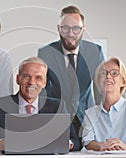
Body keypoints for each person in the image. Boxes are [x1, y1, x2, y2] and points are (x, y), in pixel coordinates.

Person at [0, 57, 80, 151]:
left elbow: (75, 141)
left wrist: (65, 144)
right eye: (26, 76)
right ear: (18, 79)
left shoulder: (58, 106)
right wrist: (1, 144)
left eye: (38, 78)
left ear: (44, 83)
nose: (32, 82)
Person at [37, 5, 105, 145]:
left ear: (83, 29)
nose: (71, 33)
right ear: (58, 28)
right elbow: (41, 91)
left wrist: (103, 122)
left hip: (87, 119)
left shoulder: (95, 52)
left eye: (76, 28)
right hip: (56, 119)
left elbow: (101, 91)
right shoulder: (46, 53)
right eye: (65, 28)